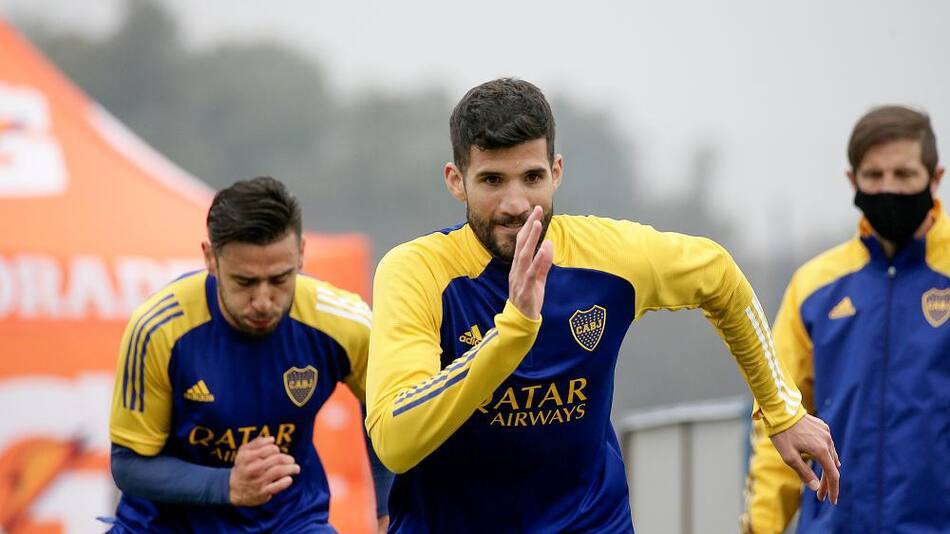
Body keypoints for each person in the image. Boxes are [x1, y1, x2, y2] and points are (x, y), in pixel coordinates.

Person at [365, 78, 840, 533]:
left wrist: (783, 410)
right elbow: (395, 442)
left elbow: (718, 275)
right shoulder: (416, 271)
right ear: (456, 181)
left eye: (532, 177)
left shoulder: (609, 257)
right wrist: (512, 334)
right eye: (492, 180)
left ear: (556, 173)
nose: (515, 203)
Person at [106, 177, 392, 533]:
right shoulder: (158, 329)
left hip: (289, 521)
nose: (262, 300)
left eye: (279, 279)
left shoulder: (345, 323)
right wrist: (227, 485)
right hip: (165, 524)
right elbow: (128, 465)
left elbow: (390, 413)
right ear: (210, 258)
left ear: (301, 253)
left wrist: (387, 514)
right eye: (244, 282)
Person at [742, 106, 949, 533]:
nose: (888, 188)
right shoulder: (814, 287)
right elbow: (777, 421)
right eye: (874, 176)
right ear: (852, 181)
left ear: (935, 178)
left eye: (904, 174)